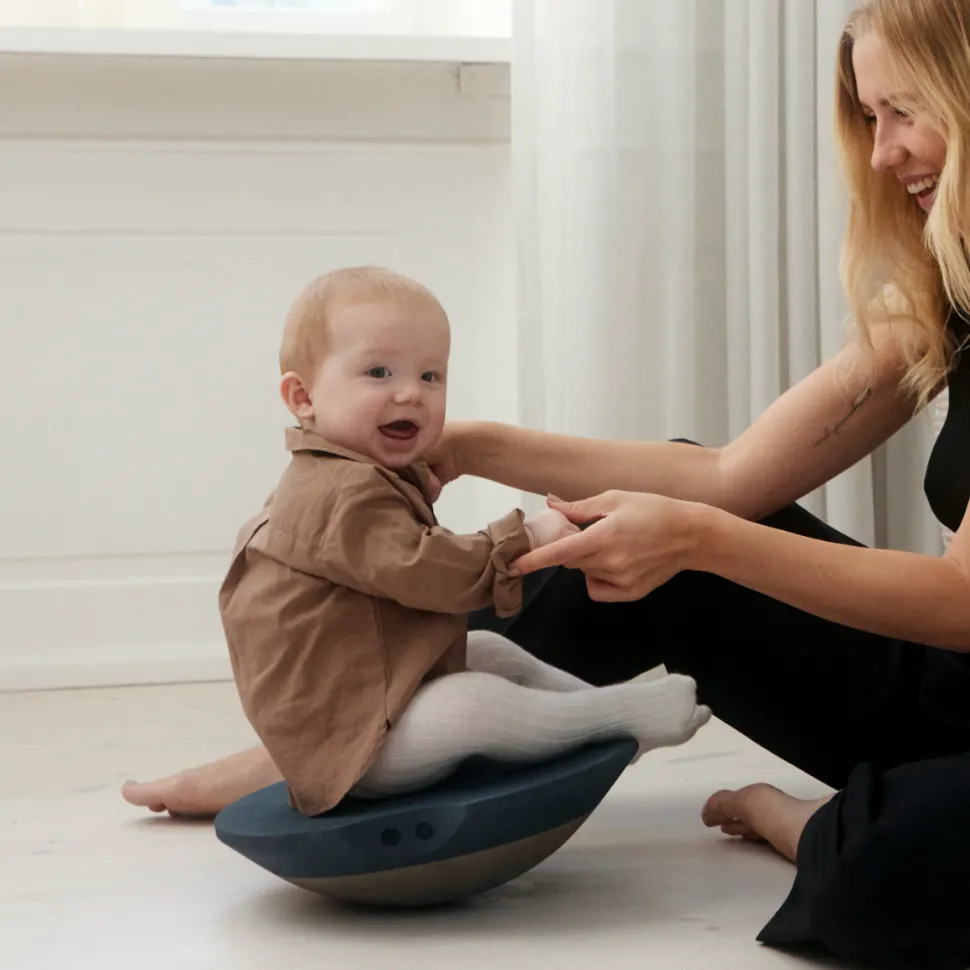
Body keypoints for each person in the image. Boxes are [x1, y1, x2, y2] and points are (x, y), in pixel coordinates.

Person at [122, 0, 970, 964]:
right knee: (641, 538)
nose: (882, 153)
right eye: (869, 117)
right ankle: (341, 730)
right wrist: (473, 443)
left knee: (873, 871)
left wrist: (695, 536)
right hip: (939, 692)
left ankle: (809, 822)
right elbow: (726, 474)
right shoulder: (941, 300)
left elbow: (960, 599)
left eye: (905, 111)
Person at [194, 266, 712, 817]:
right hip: (355, 746)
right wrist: (523, 537)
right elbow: (427, 571)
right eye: (378, 372)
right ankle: (616, 718)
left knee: (485, 650)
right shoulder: (341, 495)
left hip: (369, 695)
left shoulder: (348, 476)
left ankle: (603, 716)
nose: (410, 393)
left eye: (431, 376)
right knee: (469, 705)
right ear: (303, 396)